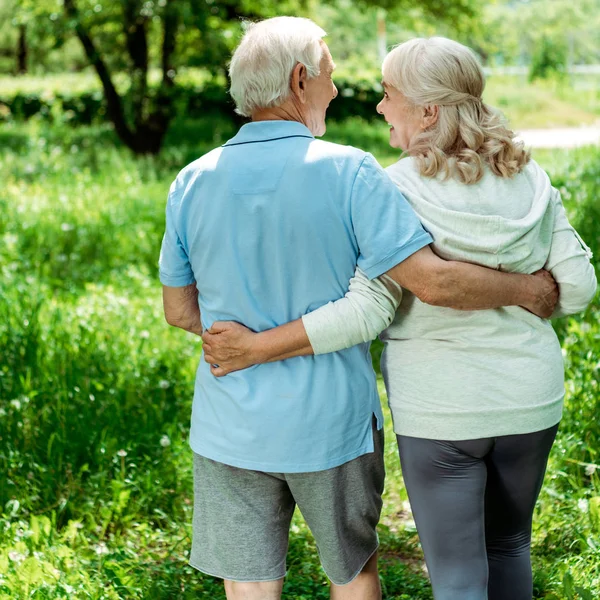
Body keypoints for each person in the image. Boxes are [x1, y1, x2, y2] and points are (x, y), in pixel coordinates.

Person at [160, 20, 559, 600]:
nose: (340, 91)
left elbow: (178, 310)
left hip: (229, 422)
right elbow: (427, 281)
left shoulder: (191, 181)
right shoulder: (350, 171)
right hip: (332, 426)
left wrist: (242, 340)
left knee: (247, 580)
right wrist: (529, 290)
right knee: (353, 572)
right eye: (330, 76)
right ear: (300, 81)